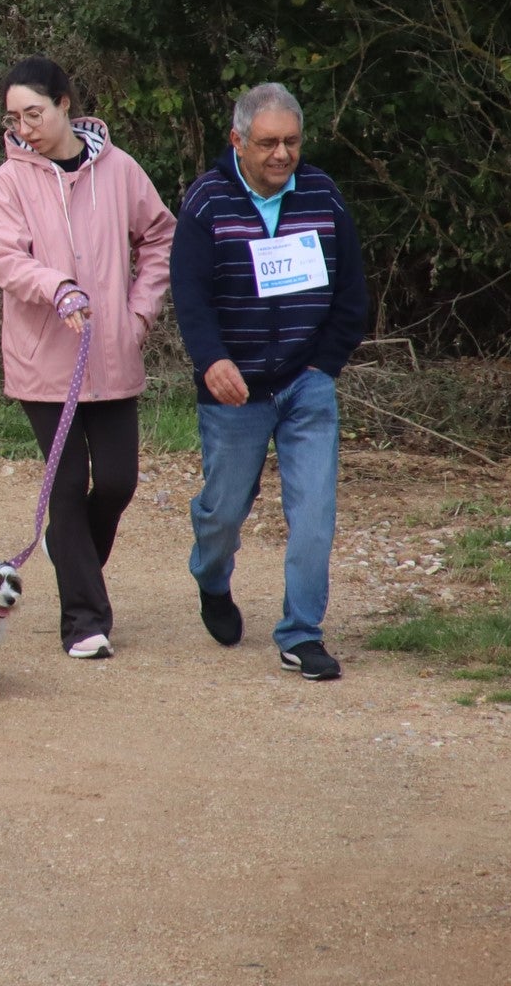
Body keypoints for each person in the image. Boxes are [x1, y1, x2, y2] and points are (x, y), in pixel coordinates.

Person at [0, 56, 175, 659]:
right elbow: (3, 257)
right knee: (67, 485)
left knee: (117, 482)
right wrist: (55, 285)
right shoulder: (8, 181)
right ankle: (85, 621)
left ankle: (69, 552)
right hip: (44, 362)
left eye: (34, 113)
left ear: (65, 104)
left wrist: (138, 313)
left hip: (113, 354)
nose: (24, 127)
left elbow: (161, 236)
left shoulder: (119, 171)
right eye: (14, 118)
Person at [172, 82, 367, 682]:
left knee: (315, 512)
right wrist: (212, 361)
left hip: (306, 384)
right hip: (234, 388)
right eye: (268, 143)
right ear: (237, 140)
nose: (282, 154)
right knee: (224, 510)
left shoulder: (322, 195)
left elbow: (352, 292)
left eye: (292, 141)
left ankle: (301, 633)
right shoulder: (206, 203)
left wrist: (324, 364)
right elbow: (190, 296)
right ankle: (211, 576)